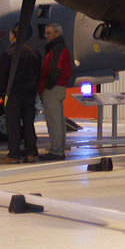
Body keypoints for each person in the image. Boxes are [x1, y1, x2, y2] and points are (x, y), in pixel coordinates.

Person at [0, 25, 41, 164]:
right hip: (29, 94)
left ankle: (14, 154)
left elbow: (2, 76)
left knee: (13, 124)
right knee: (29, 123)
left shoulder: (9, 53)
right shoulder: (35, 53)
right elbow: (38, 74)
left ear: (12, 36)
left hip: (14, 93)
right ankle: (31, 153)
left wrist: (3, 93)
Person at [39, 23, 72, 161]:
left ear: (57, 34)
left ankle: (56, 151)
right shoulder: (57, 48)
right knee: (58, 120)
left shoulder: (56, 49)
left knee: (54, 121)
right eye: (45, 33)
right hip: (57, 87)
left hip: (53, 88)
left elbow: (55, 70)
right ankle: (59, 148)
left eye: (48, 33)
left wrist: (47, 85)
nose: (46, 35)